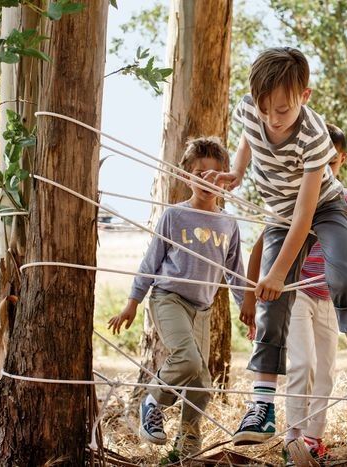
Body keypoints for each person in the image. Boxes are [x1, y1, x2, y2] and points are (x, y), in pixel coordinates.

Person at [204, 47, 347, 446]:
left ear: (304, 97)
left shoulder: (313, 137)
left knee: (345, 273)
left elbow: (304, 217)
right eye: (264, 109)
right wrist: (237, 171)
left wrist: (278, 270)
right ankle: (262, 407)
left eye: (282, 110)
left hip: (323, 208)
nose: (271, 120)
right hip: (280, 213)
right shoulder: (251, 109)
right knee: (271, 304)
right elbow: (247, 134)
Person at [108, 137, 245, 457]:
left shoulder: (228, 223)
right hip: (168, 298)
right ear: (186, 176)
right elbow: (151, 260)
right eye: (199, 173)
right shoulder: (174, 216)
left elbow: (235, 272)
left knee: (202, 381)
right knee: (188, 358)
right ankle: (152, 402)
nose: (207, 180)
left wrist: (246, 307)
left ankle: (186, 444)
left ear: (226, 177)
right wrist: (133, 301)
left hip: (203, 308)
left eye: (215, 174)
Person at [241, 124, 347, 464]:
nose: (325, 172)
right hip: (297, 291)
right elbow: (262, 247)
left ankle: (313, 440)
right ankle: (293, 437)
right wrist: (251, 298)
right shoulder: (292, 195)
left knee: (326, 371)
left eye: (332, 164)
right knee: (303, 364)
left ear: (341, 160)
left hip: (329, 295)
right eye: (318, 165)